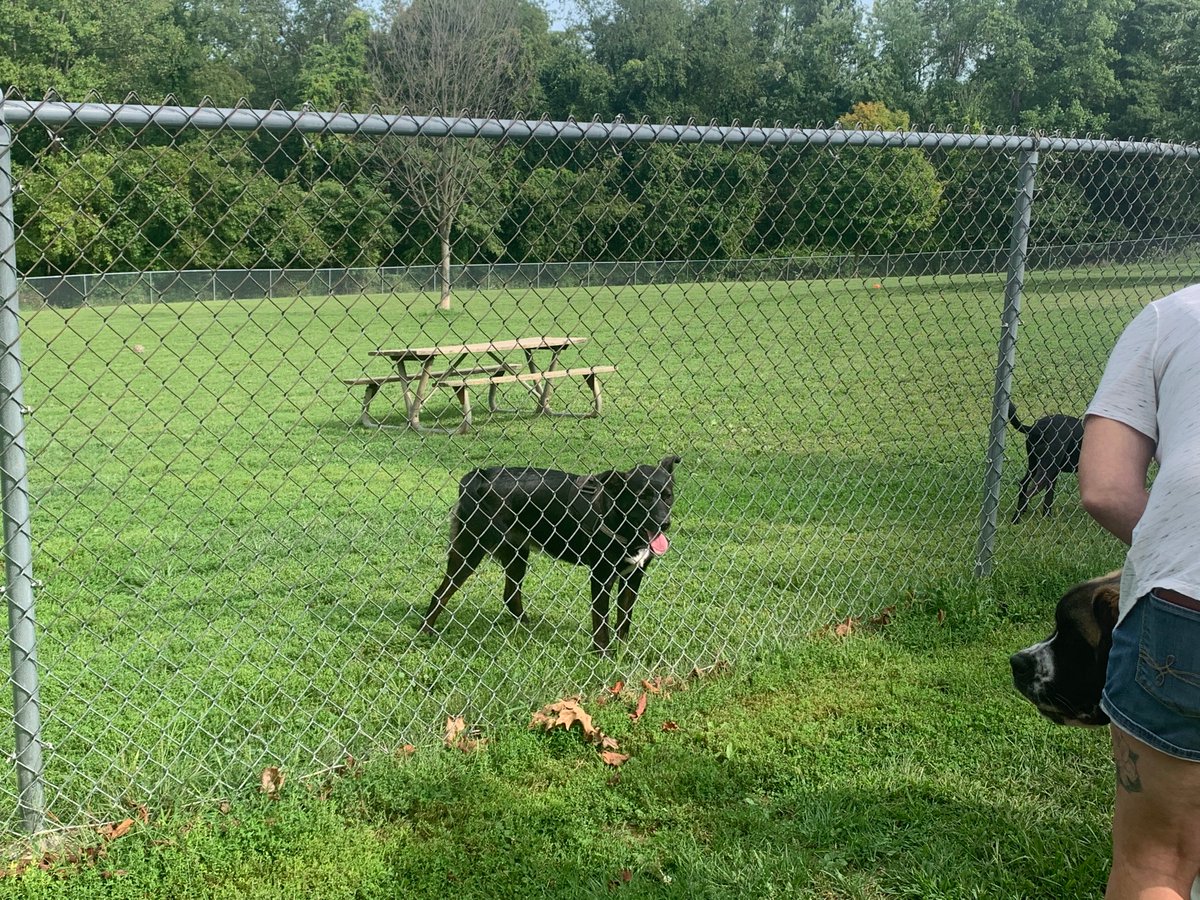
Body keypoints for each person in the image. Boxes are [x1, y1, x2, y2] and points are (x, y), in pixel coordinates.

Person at [1079, 282, 1200, 900]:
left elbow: (1105, 488)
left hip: (1190, 599)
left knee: (1154, 865)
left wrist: (1169, 554)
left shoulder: (1171, 316)